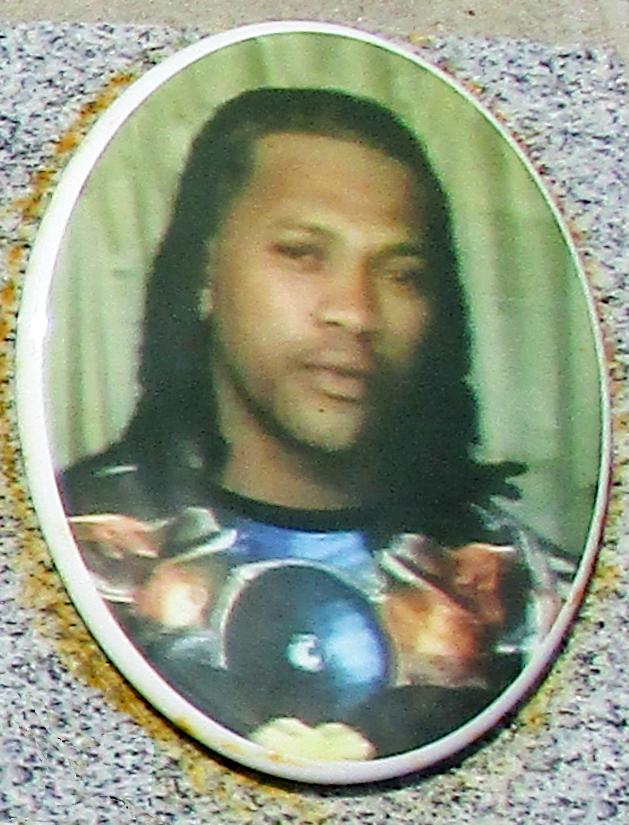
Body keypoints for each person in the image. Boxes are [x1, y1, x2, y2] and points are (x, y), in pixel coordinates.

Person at [60, 88, 573, 760]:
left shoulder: (533, 600)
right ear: (204, 272)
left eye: (401, 273)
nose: (355, 312)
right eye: (302, 253)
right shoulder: (61, 554)